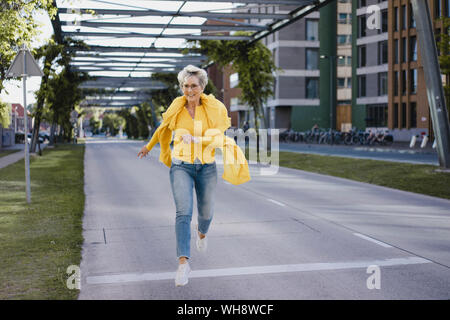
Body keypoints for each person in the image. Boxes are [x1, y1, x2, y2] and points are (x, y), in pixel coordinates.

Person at [137, 65, 251, 287]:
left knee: (206, 213)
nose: (189, 90)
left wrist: (198, 140)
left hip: (206, 167)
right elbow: (163, 128)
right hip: (181, 166)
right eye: (186, 86)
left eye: (194, 86)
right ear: (182, 87)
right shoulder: (177, 109)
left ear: (202, 87)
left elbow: (218, 137)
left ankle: (202, 233)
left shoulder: (213, 109)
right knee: (183, 212)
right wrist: (149, 146)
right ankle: (183, 263)